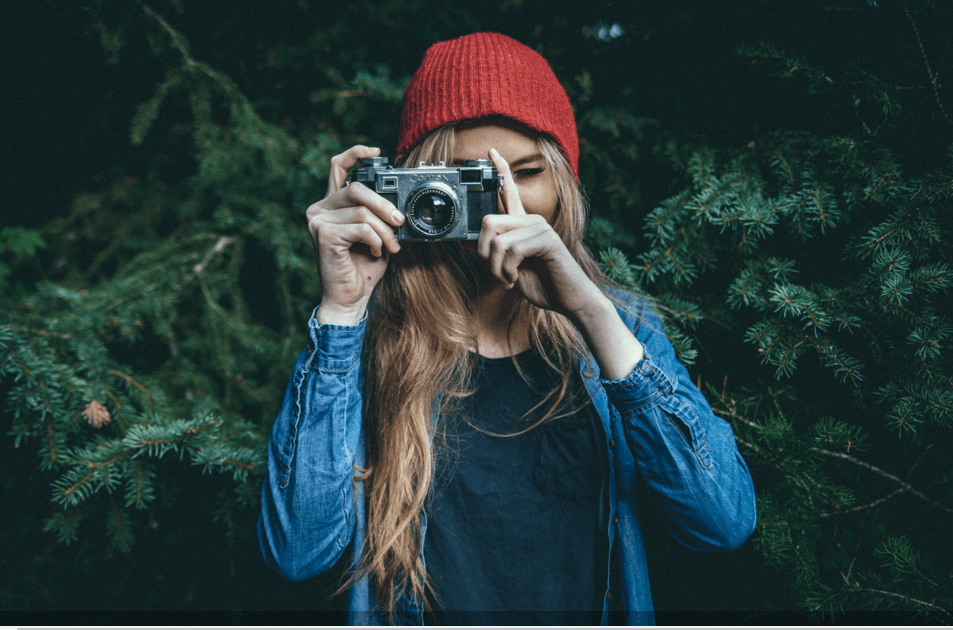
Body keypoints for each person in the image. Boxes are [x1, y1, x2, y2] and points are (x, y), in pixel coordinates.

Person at [258, 32, 756, 625]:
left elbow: (722, 522)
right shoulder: (365, 341)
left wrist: (592, 312)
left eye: (526, 172)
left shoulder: (620, 331)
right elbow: (297, 553)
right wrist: (340, 311)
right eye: (470, 181)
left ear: (565, 185)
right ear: (415, 193)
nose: (503, 206)